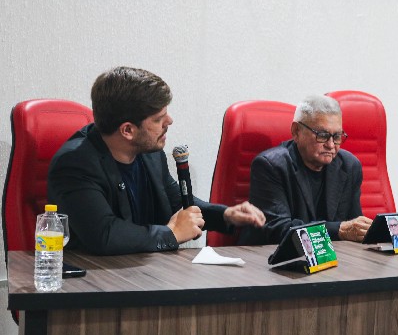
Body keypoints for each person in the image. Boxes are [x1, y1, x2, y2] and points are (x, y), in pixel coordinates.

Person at [48, 66, 265, 256]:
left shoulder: (150, 153)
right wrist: (171, 234)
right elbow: (104, 234)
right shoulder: (75, 164)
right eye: (158, 119)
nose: (169, 121)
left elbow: (175, 202)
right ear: (127, 130)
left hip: (146, 270)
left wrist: (226, 215)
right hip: (96, 279)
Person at [238, 95, 372, 245]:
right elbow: (277, 230)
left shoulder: (349, 166)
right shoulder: (271, 166)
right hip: (274, 254)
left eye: (337, 136)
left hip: (330, 254)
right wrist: (339, 230)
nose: (331, 145)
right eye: (322, 135)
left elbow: (354, 227)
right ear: (296, 131)